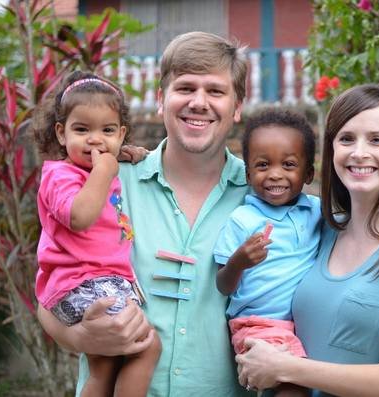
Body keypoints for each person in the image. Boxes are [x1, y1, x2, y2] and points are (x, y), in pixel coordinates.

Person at [37, 31, 254, 396]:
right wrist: (79, 335)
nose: (199, 102)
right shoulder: (103, 182)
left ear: (237, 106)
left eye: (215, 91)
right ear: (160, 100)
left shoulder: (261, 196)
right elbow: (49, 291)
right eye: (185, 88)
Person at [236, 84, 379, 397]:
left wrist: (284, 367)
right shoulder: (322, 228)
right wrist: (145, 157)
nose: (359, 152)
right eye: (346, 139)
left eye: (376, 139)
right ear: (331, 152)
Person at [31, 70, 161, 397]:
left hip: (95, 280)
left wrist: (120, 154)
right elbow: (80, 216)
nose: (95, 140)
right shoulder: (60, 176)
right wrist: (105, 169)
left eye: (107, 131)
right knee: (146, 346)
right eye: (82, 129)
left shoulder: (95, 165)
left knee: (104, 366)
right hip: (84, 281)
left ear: (121, 134)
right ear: (61, 134)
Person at [214, 109, 321, 396]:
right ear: (248, 173)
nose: (275, 174)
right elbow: (222, 284)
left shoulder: (317, 212)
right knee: (293, 385)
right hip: (257, 325)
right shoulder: (242, 220)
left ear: (308, 173)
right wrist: (238, 262)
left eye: (288, 165)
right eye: (263, 165)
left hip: (302, 326)